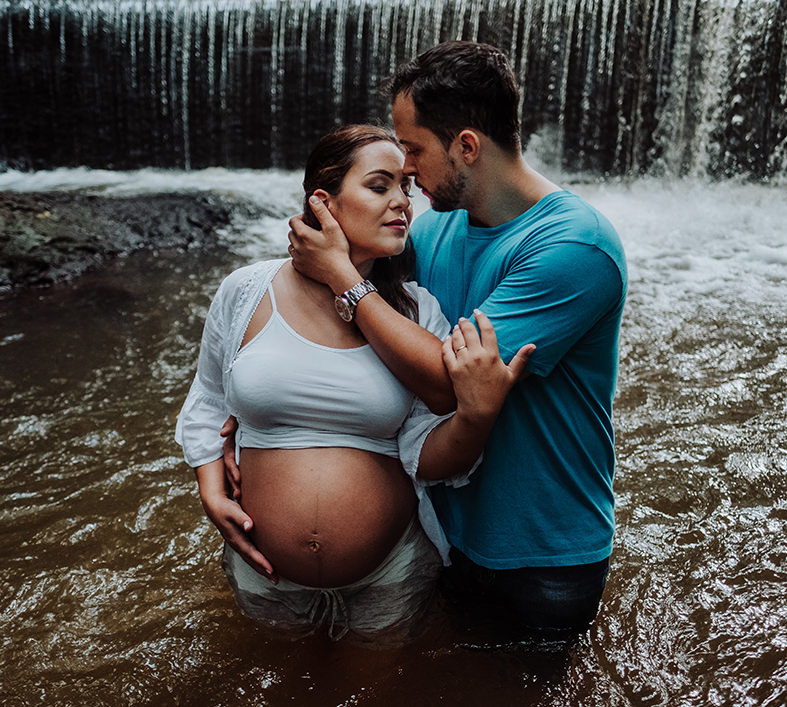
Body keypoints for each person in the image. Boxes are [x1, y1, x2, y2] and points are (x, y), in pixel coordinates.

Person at [287, 42, 627, 640]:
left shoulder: (574, 246)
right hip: (442, 529)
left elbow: (449, 381)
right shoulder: (435, 226)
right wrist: (242, 422)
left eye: (414, 149)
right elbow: (362, 321)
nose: (406, 169)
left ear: (466, 146)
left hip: (543, 553)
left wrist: (341, 275)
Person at [175, 124, 531, 644]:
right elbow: (207, 400)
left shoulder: (416, 312)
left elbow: (429, 457)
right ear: (323, 203)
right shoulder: (246, 290)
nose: (403, 202)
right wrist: (211, 491)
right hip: (263, 570)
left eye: (405, 188)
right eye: (380, 186)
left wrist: (477, 418)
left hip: (388, 575)